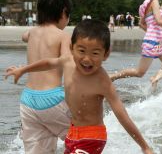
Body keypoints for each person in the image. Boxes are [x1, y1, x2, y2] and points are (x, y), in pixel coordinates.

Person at [5, 19, 153, 154]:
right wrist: (23, 70)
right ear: (71, 48)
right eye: (81, 51)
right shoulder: (68, 62)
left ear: (106, 54)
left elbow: (121, 114)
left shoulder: (102, 81)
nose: (87, 59)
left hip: (92, 137)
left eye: (95, 53)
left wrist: (144, 146)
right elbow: (49, 63)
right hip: (72, 134)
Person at [15, 0, 72, 154]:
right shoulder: (62, 35)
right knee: (81, 139)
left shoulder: (32, 33)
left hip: (27, 100)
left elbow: (23, 36)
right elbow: (67, 63)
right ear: (63, 12)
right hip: (51, 99)